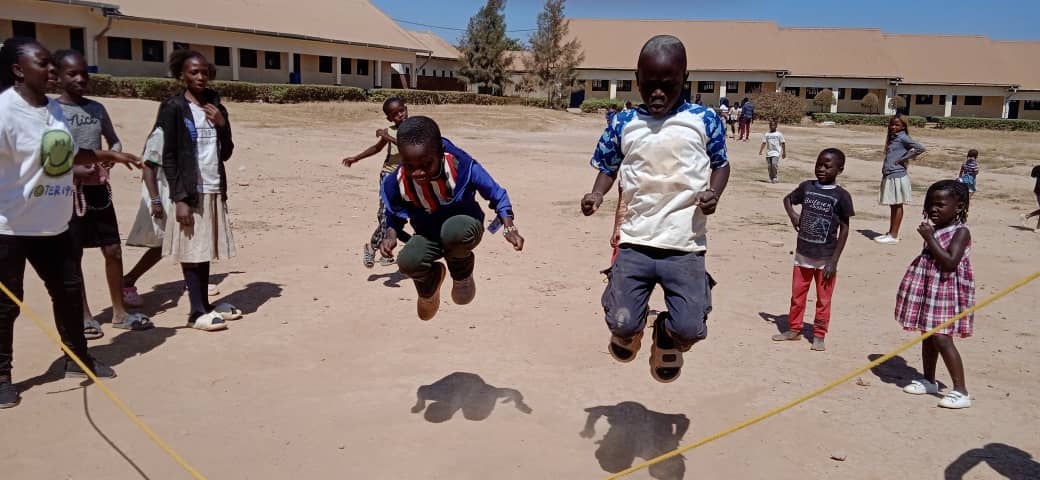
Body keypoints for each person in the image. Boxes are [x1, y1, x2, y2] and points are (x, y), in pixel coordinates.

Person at [0, 38, 141, 408]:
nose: (51, 70)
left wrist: (107, 154)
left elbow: (65, 151)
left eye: (51, 63)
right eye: (42, 64)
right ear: (18, 70)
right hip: (11, 228)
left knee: (68, 292)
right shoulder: (4, 111)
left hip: (56, 224)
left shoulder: (52, 109)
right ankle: (1, 376)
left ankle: (76, 359)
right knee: (6, 305)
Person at [582, 35, 729, 383]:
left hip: (685, 245)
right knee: (621, 322)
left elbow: (721, 164)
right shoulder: (622, 123)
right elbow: (608, 167)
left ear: (684, 79)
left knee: (690, 329)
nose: (658, 93)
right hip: (636, 241)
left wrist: (714, 192)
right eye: (650, 85)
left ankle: (665, 331)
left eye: (668, 84)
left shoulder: (704, 120)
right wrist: (596, 194)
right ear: (637, 79)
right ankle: (631, 329)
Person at [380, 116, 524, 321]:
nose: (418, 172)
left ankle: (461, 273)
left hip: (463, 227)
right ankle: (430, 284)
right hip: (428, 233)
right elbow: (393, 212)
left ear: (440, 152)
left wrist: (509, 227)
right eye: (410, 166)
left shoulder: (461, 167)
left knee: (454, 230)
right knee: (408, 262)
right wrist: (390, 234)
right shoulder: (398, 181)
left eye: (426, 164)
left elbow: (497, 194)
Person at [54, 50, 152, 340]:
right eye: (72, 74)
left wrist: (111, 158)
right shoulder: (51, 111)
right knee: (73, 255)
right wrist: (73, 170)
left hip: (99, 192)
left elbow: (114, 140)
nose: (80, 79)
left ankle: (119, 312)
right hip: (67, 194)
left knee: (112, 250)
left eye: (84, 73)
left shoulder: (97, 108)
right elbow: (47, 154)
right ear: (58, 76)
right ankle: (84, 316)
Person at [159, 49, 241, 332]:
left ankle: (205, 305)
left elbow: (226, 152)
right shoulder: (174, 108)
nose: (200, 77)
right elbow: (169, 156)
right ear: (182, 75)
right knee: (192, 250)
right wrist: (179, 197)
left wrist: (222, 125)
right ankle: (195, 312)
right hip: (190, 190)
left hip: (213, 186)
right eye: (194, 72)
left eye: (205, 72)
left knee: (203, 249)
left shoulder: (216, 106)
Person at [895, 180, 975, 409]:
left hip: (946, 291)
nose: (934, 209)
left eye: (940, 205)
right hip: (929, 289)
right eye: (931, 204)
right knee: (928, 335)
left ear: (958, 207)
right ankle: (929, 380)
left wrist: (929, 238)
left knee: (941, 337)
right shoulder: (936, 228)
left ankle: (961, 391)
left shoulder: (961, 232)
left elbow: (949, 263)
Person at [770, 149, 853, 352]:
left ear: (839, 170)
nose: (821, 169)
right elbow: (787, 199)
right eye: (819, 164)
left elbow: (845, 229)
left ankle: (819, 335)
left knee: (823, 299)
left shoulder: (841, 196)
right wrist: (793, 215)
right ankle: (794, 329)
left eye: (827, 166)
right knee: (797, 296)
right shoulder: (807, 187)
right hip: (803, 255)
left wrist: (834, 261)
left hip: (826, 259)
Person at [342, 97, 412, 268]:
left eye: (401, 110)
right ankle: (378, 248)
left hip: (408, 176)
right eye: (394, 114)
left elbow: (408, 148)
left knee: (400, 216)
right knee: (385, 214)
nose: (400, 115)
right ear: (389, 118)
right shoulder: (390, 131)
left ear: (406, 109)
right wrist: (356, 158)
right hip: (389, 176)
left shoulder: (415, 129)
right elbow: (376, 148)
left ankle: (380, 246)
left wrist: (387, 137)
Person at [876, 115, 926, 245]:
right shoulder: (894, 138)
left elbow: (920, 148)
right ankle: (891, 232)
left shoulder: (903, 137)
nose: (893, 127)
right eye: (892, 124)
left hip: (897, 175)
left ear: (903, 126)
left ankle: (894, 235)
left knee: (897, 204)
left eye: (897, 125)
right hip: (890, 173)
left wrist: (904, 158)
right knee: (893, 204)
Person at [758, 119, 786, 183]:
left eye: (773, 125)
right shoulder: (767, 134)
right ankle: (771, 177)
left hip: (776, 152)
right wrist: (761, 150)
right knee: (769, 166)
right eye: (770, 125)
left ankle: (775, 177)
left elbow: (783, 143)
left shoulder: (779, 134)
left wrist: (784, 153)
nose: (772, 126)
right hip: (769, 153)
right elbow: (764, 142)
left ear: (776, 126)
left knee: (774, 164)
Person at [1021, 165, 1040, 232]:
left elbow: (1033, 175)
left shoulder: (1037, 168)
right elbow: (1033, 175)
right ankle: (1038, 228)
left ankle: (1027, 216)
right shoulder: (1037, 168)